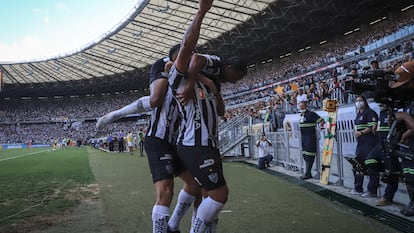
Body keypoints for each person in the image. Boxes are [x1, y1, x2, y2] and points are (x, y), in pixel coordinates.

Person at [390, 61, 414, 216]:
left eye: (406, 83)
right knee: (410, 176)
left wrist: (404, 117)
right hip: (410, 148)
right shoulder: (408, 101)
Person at [364, 109, 401, 205]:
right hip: (380, 143)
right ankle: (386, 173)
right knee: (370, 160)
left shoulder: (397, 110)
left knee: (392, 171)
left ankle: (387, 197)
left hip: (391, 144)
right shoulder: (382, 112)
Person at [350, 95, 379, 196]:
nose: (358, 103)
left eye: (360, 100)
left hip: (370, 143)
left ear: (365, 101)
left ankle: (372, 190)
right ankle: (358, 188)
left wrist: (361, 133)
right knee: (357, 165)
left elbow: (372, 127)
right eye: (357, 101)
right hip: (361, 144)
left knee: (371, 165)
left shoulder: (370, 112)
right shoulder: (358, 114)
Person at [298, 101, 324, 180]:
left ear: (306, 106)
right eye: (300, 107)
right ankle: (308, 172)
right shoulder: (302, 115)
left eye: (303, 106)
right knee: (305, 155)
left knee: (310, 155)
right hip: (304, 138)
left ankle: (308, 173)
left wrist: (321, 125)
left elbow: (321, 120)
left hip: (310, 137)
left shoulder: (311, 114)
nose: (301, 108)